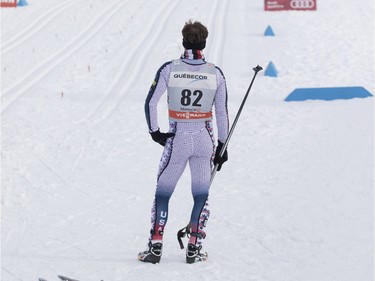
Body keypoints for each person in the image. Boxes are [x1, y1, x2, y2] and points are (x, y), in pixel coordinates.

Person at [138, 20, 229, 264]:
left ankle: (155, 246)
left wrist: (155, 132)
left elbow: (150, 102)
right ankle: (194, 248)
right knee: (201, 194)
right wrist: (223, 144)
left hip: (177, 138)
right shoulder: (215, 73)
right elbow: (221, 112)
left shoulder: (169, 69)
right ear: (204, 42)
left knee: (163, 193)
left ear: (183, 41)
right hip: (204, 140)